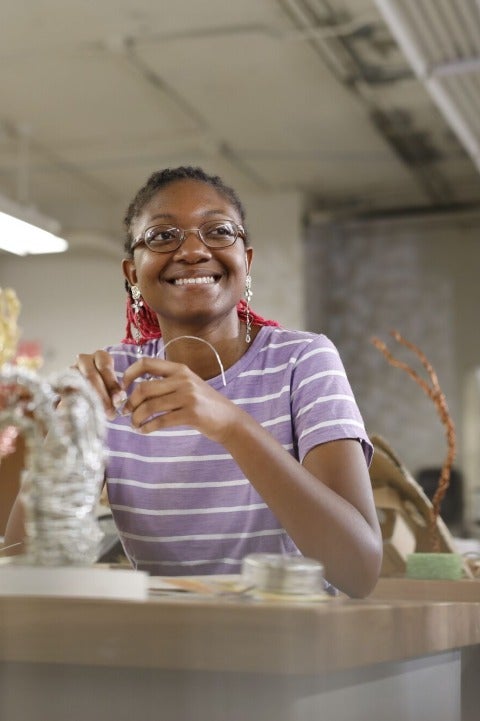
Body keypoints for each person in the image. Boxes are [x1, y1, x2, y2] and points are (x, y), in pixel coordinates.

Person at [5, 166, 382, 597]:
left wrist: (231, 425)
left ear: (246, 260)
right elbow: (21, 560)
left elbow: (359, 569)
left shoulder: (303, 360)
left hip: (294, 649)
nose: (192, 251)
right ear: (132, 274)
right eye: (163, 236)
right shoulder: (113, 382)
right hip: (166, 649)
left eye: (218, 231)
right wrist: (65, 438)